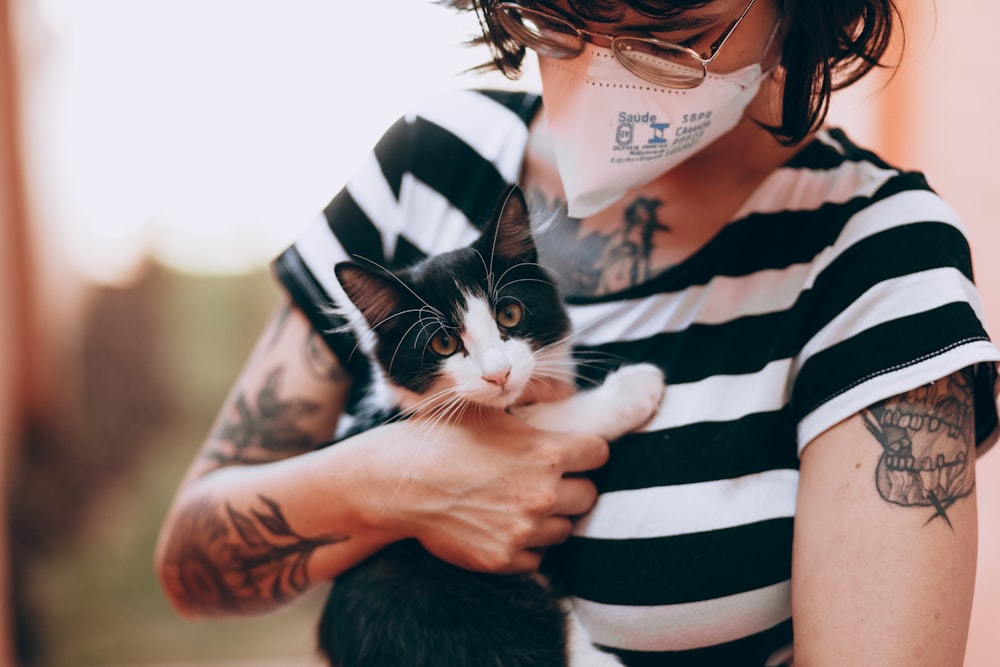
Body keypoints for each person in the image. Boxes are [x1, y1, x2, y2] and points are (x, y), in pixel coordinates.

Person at [154, 1, 1000, 664]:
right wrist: (399, 477)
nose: (604, 68)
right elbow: (195, 563)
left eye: (672, 36)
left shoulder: (879, 260)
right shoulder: (431, 164)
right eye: (560, 20)